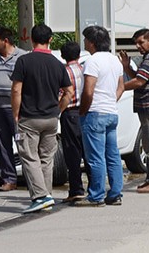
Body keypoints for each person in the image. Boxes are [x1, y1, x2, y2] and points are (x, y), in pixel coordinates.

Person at [11, 24, 73, 214]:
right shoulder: (57, 64)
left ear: (31, 39)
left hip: (29, 118)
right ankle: (47, 196)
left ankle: (40, 196)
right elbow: (69, 92)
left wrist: (15, 113)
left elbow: (16, 90)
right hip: (51, 118)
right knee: (47, 158)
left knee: (29, 157)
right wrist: (58, 110)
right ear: (50, 40)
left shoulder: (24, 61)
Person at [75, 26, 125, 207]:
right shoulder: (115, 61)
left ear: (92, 42)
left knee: (95, 157)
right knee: (112, 155)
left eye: (86, 39)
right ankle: (115, 193)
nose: (85, 43)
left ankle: (96, 196)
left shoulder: (92, 61)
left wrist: (83, 109)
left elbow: (88, 89)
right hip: (111, 112)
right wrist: (111, 101)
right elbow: (121, 86)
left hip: (95, 113)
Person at [119, 28, 149, 194]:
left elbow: (139, 82)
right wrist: (126, 67)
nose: (138, 46)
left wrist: (119, 87)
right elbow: (140, 77)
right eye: (136, 43)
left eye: (141, 42)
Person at [0, 27, 26, 192]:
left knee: (23, 143)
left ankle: (31, 178)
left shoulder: (22, 56)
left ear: (6, 41)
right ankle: (9, 179)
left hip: (17, 108)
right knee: (3, 145)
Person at [58, 41, 87, 203]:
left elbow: (62, 95)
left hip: (69, 113)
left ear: (63, 56)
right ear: (78, 54)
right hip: (85, 113)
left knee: (72, 154)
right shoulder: (85, 70)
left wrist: (57, 111)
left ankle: (76, 189)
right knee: (88, 151)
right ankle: (94, 187)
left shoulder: (64, 72)